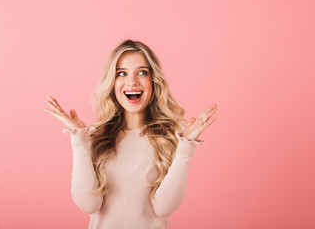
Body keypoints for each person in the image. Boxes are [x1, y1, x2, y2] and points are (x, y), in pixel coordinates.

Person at [43, 39, 219, 229]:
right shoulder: (95, 138)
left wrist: (185, 148)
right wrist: (78, 139)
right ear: (112, 82)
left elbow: (164, 208)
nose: (132, 82)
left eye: (142, 72)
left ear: (153, 80)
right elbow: (88, 205)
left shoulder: (169, 138)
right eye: (121, 73)